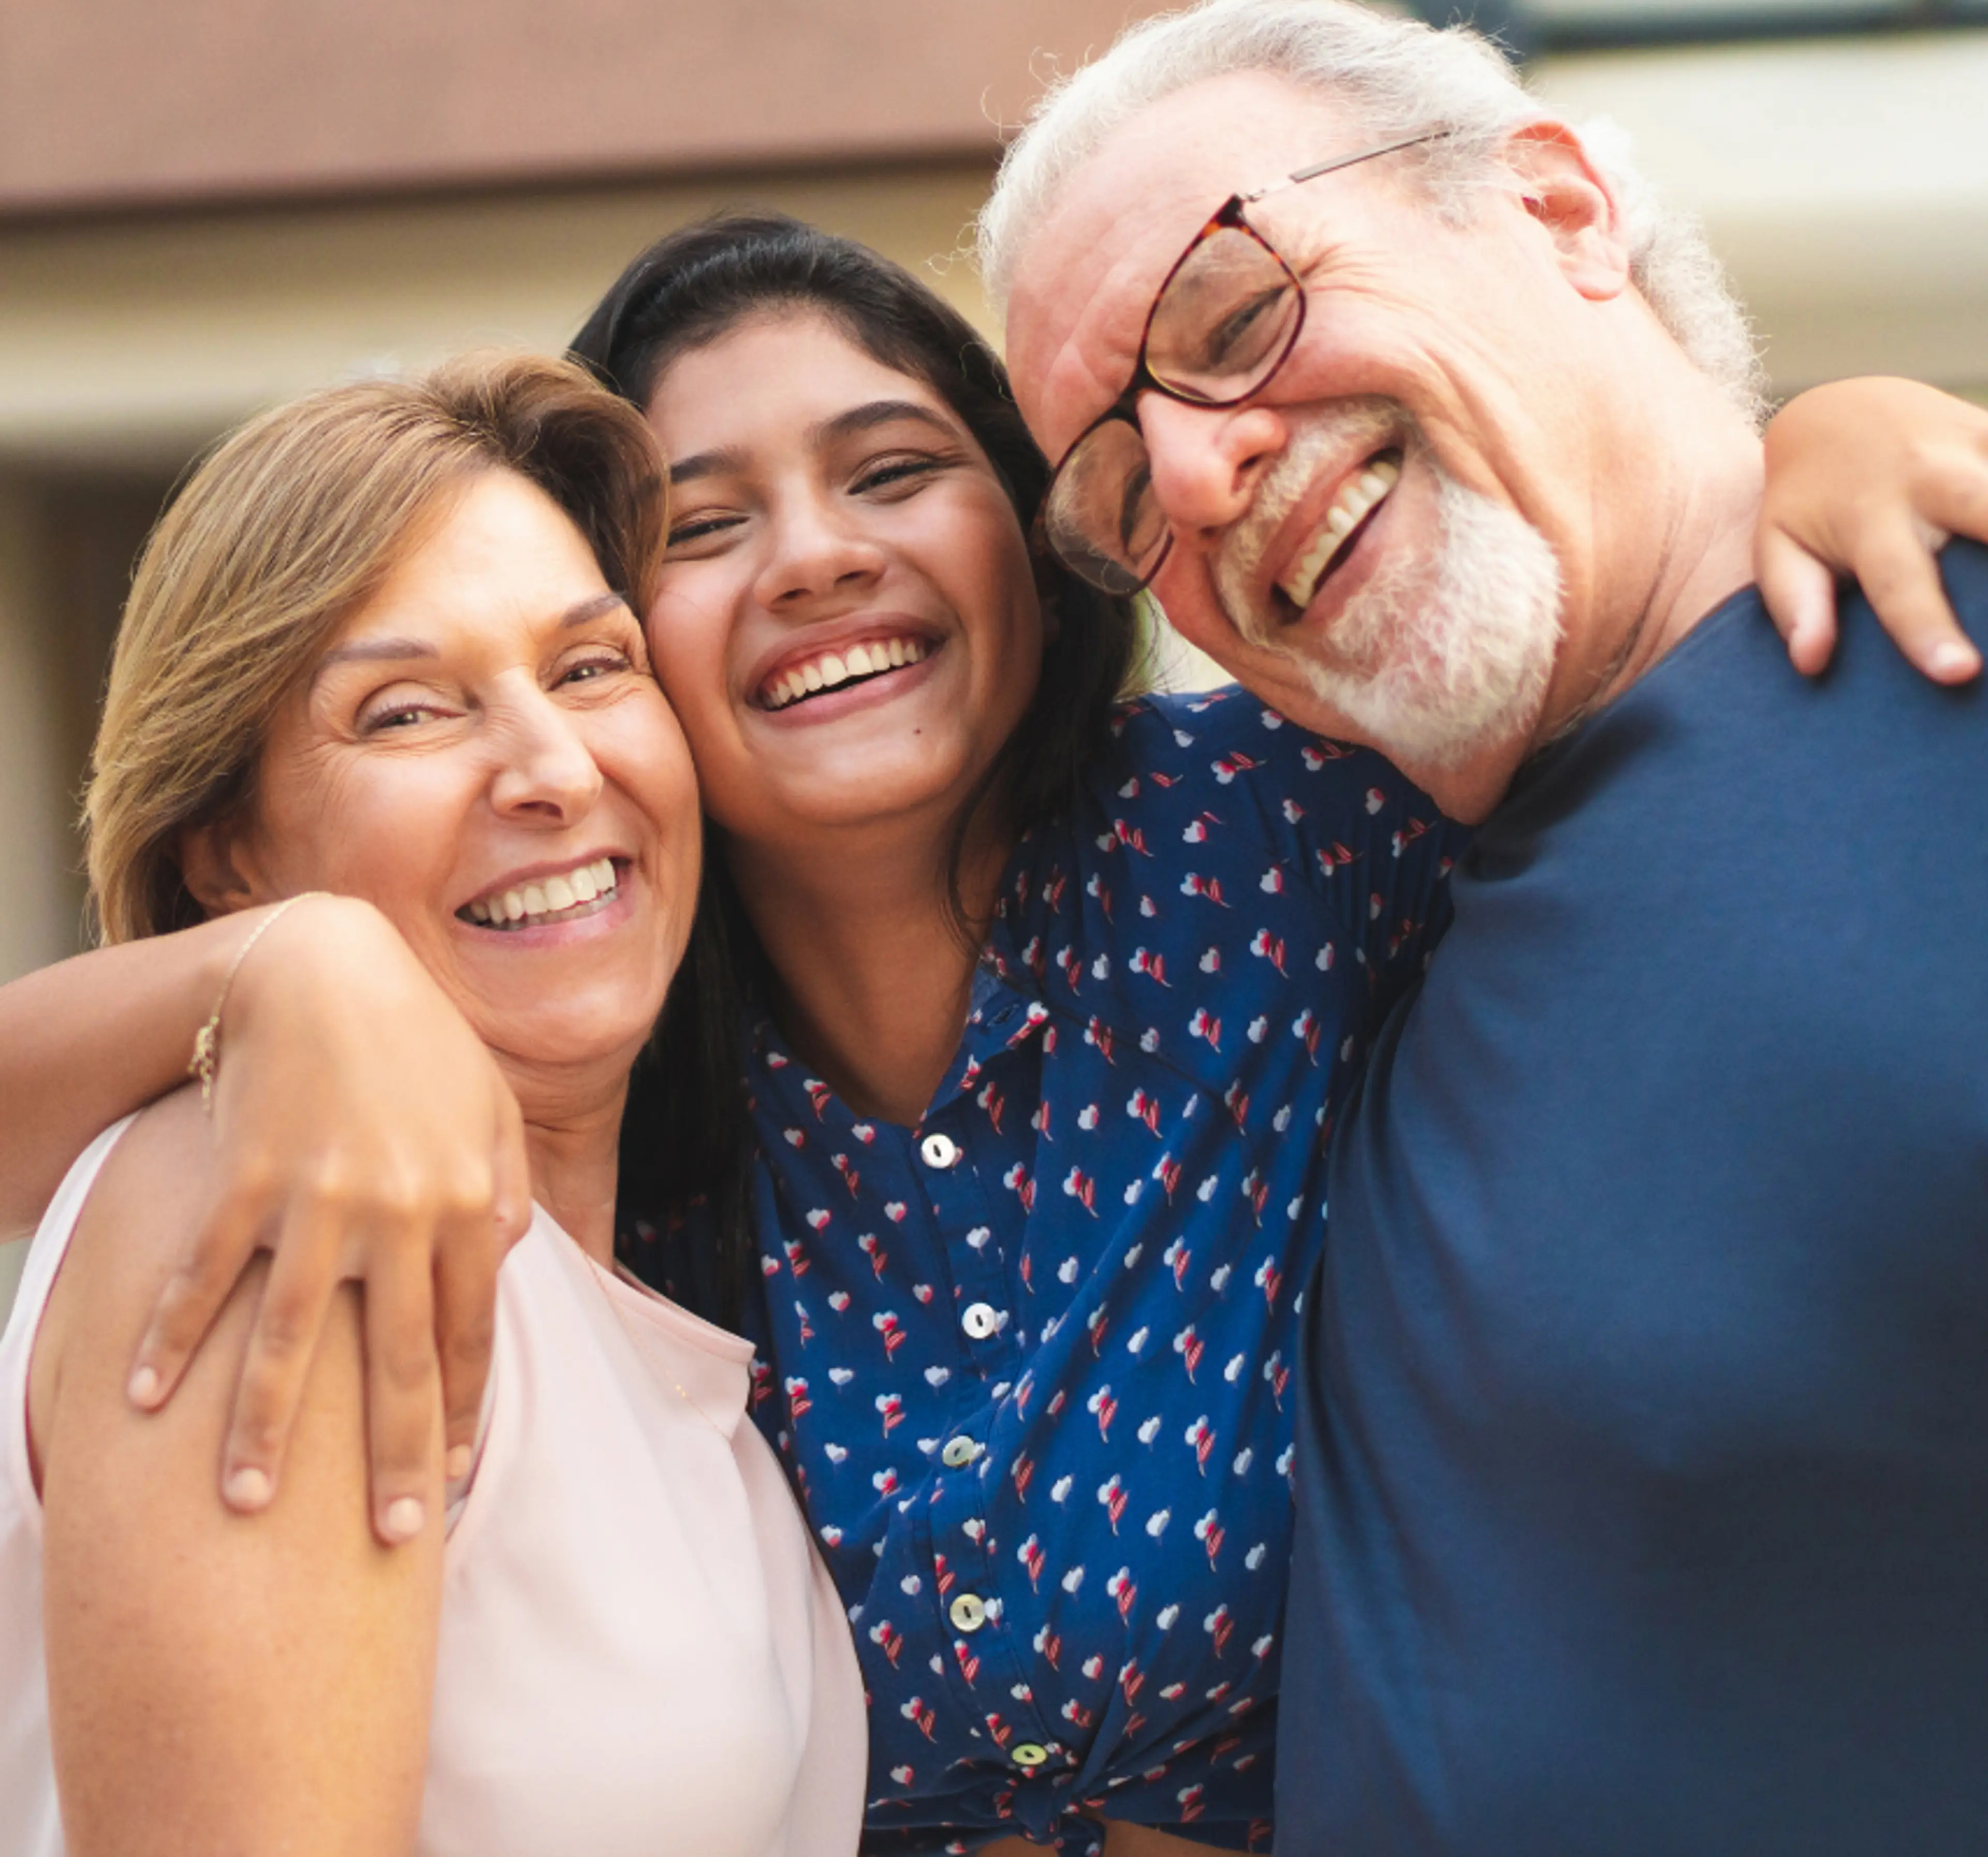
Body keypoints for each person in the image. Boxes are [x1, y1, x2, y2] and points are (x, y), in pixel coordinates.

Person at [3, 214, 1986, 1857]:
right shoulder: (541, 1094)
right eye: (699, 529)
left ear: (1041, 543)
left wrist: (1810, 440)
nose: (817, 557)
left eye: (892, 470)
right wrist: (263, 972)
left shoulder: (1290, 821)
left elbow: (1599, 646)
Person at [983, 0, 1988, 1854]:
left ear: (1558, 209)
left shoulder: (1951, 648)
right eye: (1120, 493)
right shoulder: (1301, 928)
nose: (1200, 475)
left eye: (1241, 312)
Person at [0, 354, 864, 1857]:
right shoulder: (281, 1188)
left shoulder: (647, 1317)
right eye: (406, 714)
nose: (551, 766)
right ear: (229, 860)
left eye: (593, 669)